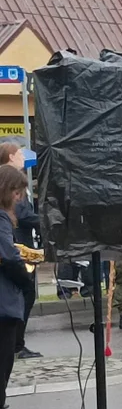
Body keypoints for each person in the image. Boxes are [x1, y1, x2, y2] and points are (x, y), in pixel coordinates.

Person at [0, 143, 42, 359]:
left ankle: (17, 342)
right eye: (19, 154)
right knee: (23, 295)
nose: (23, 158)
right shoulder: (9, 183)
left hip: (18, 244)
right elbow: (23, 215)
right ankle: (17, 343)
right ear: (10, 156)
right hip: (16, 247)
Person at [0, 164, 33, 409]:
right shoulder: (1, 217)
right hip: (3, 302)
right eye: (18, 192)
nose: (20, 198)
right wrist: (25, 279)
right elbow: (8, 257)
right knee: (3, 364)